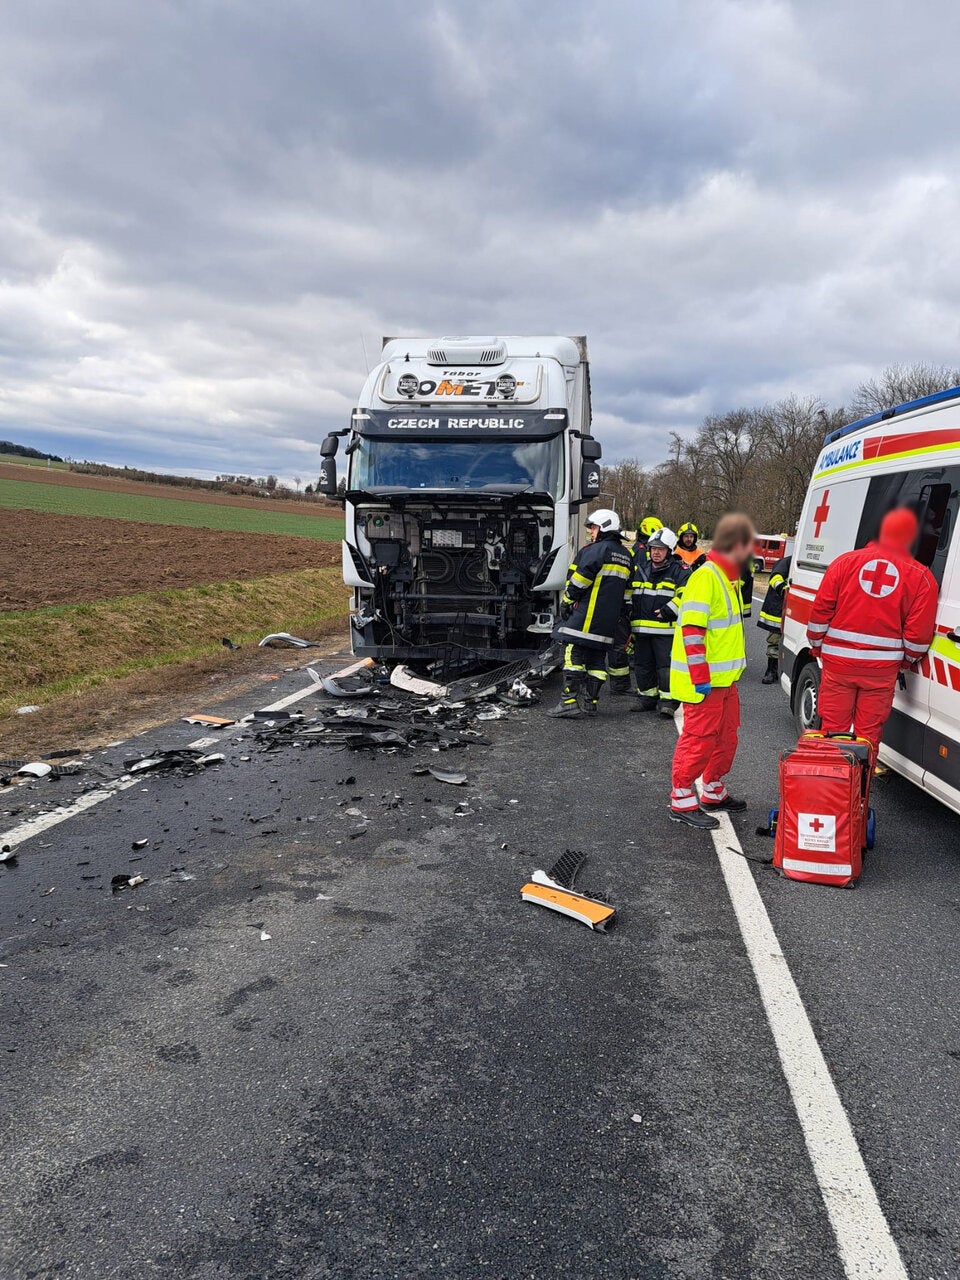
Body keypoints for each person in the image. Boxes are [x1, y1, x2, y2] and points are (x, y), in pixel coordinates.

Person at [806, 507, 938, 759]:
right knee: (868, 738)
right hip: (881, 671)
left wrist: (817, 645)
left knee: (832, 732)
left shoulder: (843, 563)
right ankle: (860, 798)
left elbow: (820, 612)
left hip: (838, 666)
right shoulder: (922, 577)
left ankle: (832, 794)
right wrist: (906, 659)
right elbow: (918, 637)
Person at [668, 512, 755, 829]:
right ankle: (681, 797)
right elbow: (692, 630)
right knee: (699, 739)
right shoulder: (707, 577)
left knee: (726, 737)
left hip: (724, 681)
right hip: (705, 682)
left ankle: (713, 790)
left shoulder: (726, 578)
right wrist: (701, 677)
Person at [549, 509, 634, 718]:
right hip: (608, 623)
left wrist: (567, 600)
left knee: (572, 654)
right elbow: (627, 594)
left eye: (593, 528)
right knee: (597, 661)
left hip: (585, 616)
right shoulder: (626, 555)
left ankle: (568, 702)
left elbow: (581, 578)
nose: (591, 532)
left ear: (604, 527)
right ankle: (590, 703)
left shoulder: (597, 550)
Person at [630, 527, 689, 716]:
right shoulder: (641, 569)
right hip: (641, 629)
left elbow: (686, 596)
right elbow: (630, 594)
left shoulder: (680, 571)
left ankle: (668, 703)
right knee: (642, 666)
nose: (656, 552)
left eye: (661, 549)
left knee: (665, 667)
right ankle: (647, 698)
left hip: (666, 631)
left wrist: (668, 611)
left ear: (670, 551)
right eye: (653, 548)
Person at [757, 554, 791, 684]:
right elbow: (775, 578)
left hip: (794, 610)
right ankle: (770, 671)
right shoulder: (788, 562)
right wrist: (784, 589)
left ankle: (782, 670)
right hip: (778, 609)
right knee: (774, 641)